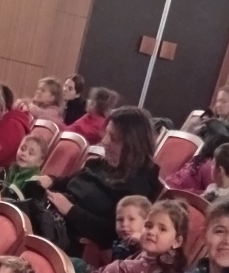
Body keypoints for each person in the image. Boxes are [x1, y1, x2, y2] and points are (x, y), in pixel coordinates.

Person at [34, 106, 162, 259]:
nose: (104, 141)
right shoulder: (102, 164)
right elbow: (71, 181)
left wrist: (71, 210)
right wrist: (50, 179)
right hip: (50, 216)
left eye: (113, 138)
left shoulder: (138, 186)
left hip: (69, 239)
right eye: (106, 133)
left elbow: (112, 232)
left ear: (132, 145)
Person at [87, 200, 188, 273]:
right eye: (148, 226)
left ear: (177, 241)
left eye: (162, 229)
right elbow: (112, 266)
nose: (151, 232)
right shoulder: (142, 255)